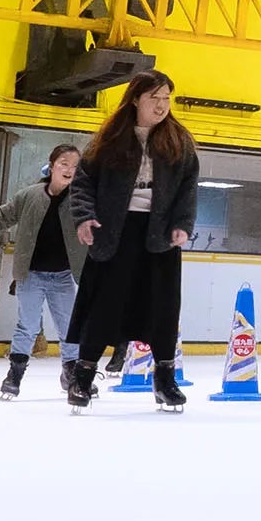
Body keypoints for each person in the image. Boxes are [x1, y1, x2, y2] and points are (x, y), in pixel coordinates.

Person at [63, 71, 199, 413]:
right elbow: (82, 183)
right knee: (103, 304)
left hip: (160, 235)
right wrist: (84, 217)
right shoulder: (110, 138)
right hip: (114, 232)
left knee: (164, 309)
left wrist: (182, 224)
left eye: (167, 98)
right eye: (155, 98)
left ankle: (165, 379)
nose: (162, 106)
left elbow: (188, 187)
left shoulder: (179, 140)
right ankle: (83, 376)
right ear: (136, 98)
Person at [0, 143, 86, 400]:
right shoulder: (30, 195)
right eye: (64, 164)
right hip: (32, 275)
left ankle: (72, 374)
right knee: (26, 326)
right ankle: (15, 374)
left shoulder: (81, 201)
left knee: (70, 327)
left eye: (75, 166)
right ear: (52, 165)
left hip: (63, 276)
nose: (70, 170)